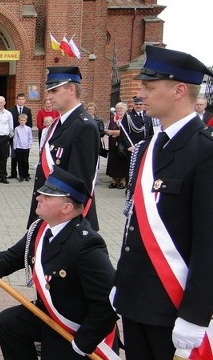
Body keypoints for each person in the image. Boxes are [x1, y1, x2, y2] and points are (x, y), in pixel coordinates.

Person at [113, 45, 213, 360]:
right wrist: (122, 282)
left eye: (149, 86)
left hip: (173, 307)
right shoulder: (149, 147)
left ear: (179, 90)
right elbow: (134, 226)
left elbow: (208, 244)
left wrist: (196, 315)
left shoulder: (205, 153)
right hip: (136, 300)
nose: (140, 92)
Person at [0, 166, 119, 360]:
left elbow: (108, 301)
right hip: (49, 315)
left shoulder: (86, 245)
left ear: (66, 208)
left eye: (48, 196)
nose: (39, 198)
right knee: (9, 323)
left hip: (75, 326)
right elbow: (14, 255)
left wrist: (84, 341)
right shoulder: (41, 228)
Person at [27, 66, 100, 231]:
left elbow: (80, 183)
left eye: (54, 91)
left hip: (65, 219)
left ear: (71, 89)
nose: (49, 96)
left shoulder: (84, 127)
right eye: (49, 91)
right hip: (49, 212)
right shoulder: (58, 124)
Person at [8, 93, 32, 179]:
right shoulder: (11, 110)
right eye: (19, 99)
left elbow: (30, 124)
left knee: (25, 158)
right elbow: (10, 124)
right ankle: (13, 173)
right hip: (14, 137)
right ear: (17, 100)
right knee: (14, 156)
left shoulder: (28, 110)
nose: (21, 101)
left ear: (24, 100)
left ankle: (26, 174)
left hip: (25, 140)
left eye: (22, 99)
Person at [105, 102, 128, 189]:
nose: (119, 111)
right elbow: (106, 129)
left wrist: (116, 133)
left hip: (123, 145)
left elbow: (127, 131)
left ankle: (123, 181)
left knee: (122, 162)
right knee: (113, 162)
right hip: (113, 144)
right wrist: (109, 132)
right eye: (118, 109)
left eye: (121, 109)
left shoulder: (127, 119)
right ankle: (114, 180)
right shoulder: (112, 119)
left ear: (125, 110)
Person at [13, 113, 32, 182]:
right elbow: (15, 138)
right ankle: (21, 175)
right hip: (18, 147)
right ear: (18, 120)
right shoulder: (17, 129)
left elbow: (30, 138)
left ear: (26, 121)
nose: (22, 121)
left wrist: (29, 145)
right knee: (20, 162)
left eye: (24, 120)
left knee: (25, 161)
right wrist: (15, 147)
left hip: (26, 147)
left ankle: (26, 175)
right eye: (21, 120)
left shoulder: (28, 129)